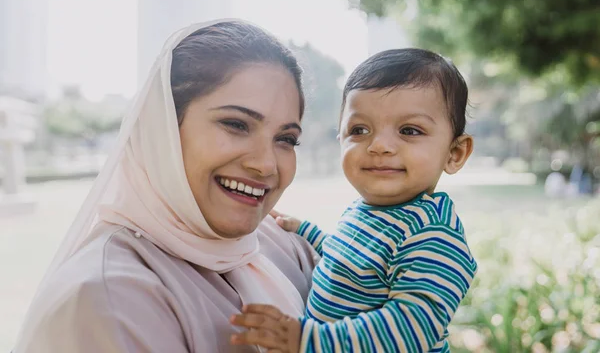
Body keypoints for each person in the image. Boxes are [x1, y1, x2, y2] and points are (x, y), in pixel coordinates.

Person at [13, 20, 320, 353]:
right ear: (164, 129)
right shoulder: (110, 298)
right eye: (236, 124)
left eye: (286, 139)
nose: (266, 164)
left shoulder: (285, 246)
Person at [231, 49, 478, 352]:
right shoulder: (368, 210)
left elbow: (411, 328)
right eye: (359, 130)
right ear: (341, 140)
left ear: (455, 154)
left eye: (409, 130)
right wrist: (306, 230)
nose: (380, 145)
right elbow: (352, 259)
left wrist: (307, 340)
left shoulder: (433, 234)